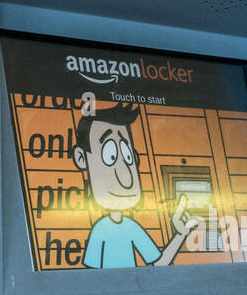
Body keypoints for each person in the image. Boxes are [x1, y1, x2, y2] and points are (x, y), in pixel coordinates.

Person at [70, 102, 198, 268]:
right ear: (81, 158)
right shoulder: (100, 230)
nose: (126, 178)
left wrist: (180, 234)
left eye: (128, 156)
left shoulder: (131, 227)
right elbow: (91, 275)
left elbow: (159, 264)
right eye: (110, 155)